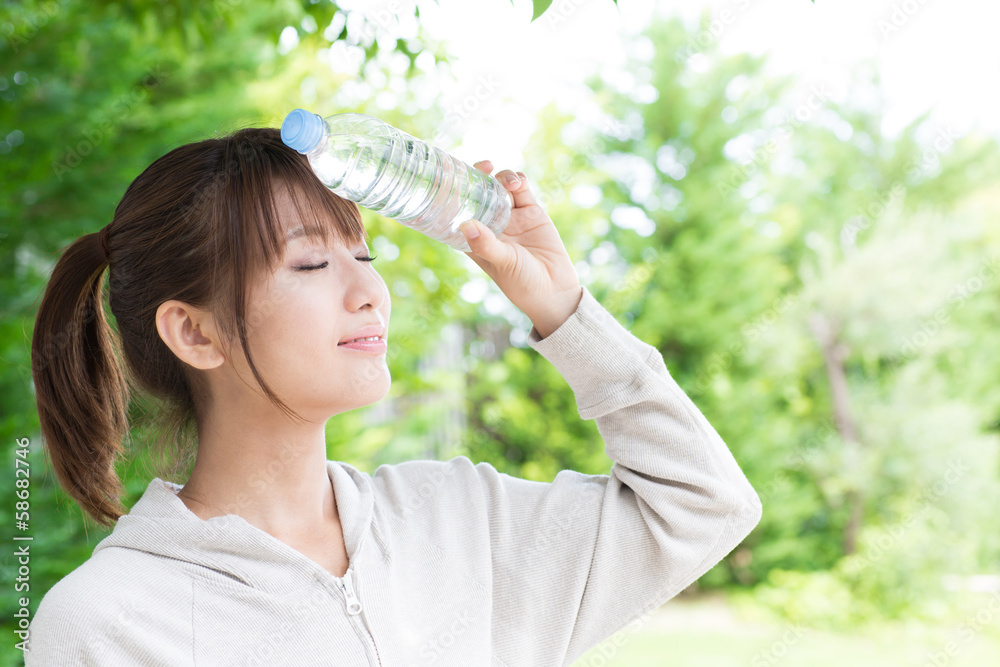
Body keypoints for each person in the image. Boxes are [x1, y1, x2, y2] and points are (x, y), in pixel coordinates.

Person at [26, 127, 762, 666]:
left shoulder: (459, 520)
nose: (368, 292)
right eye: (312, 261)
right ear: (195, 332)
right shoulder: (107, 625)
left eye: (363, 253)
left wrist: (565, 310)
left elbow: (702, 504)